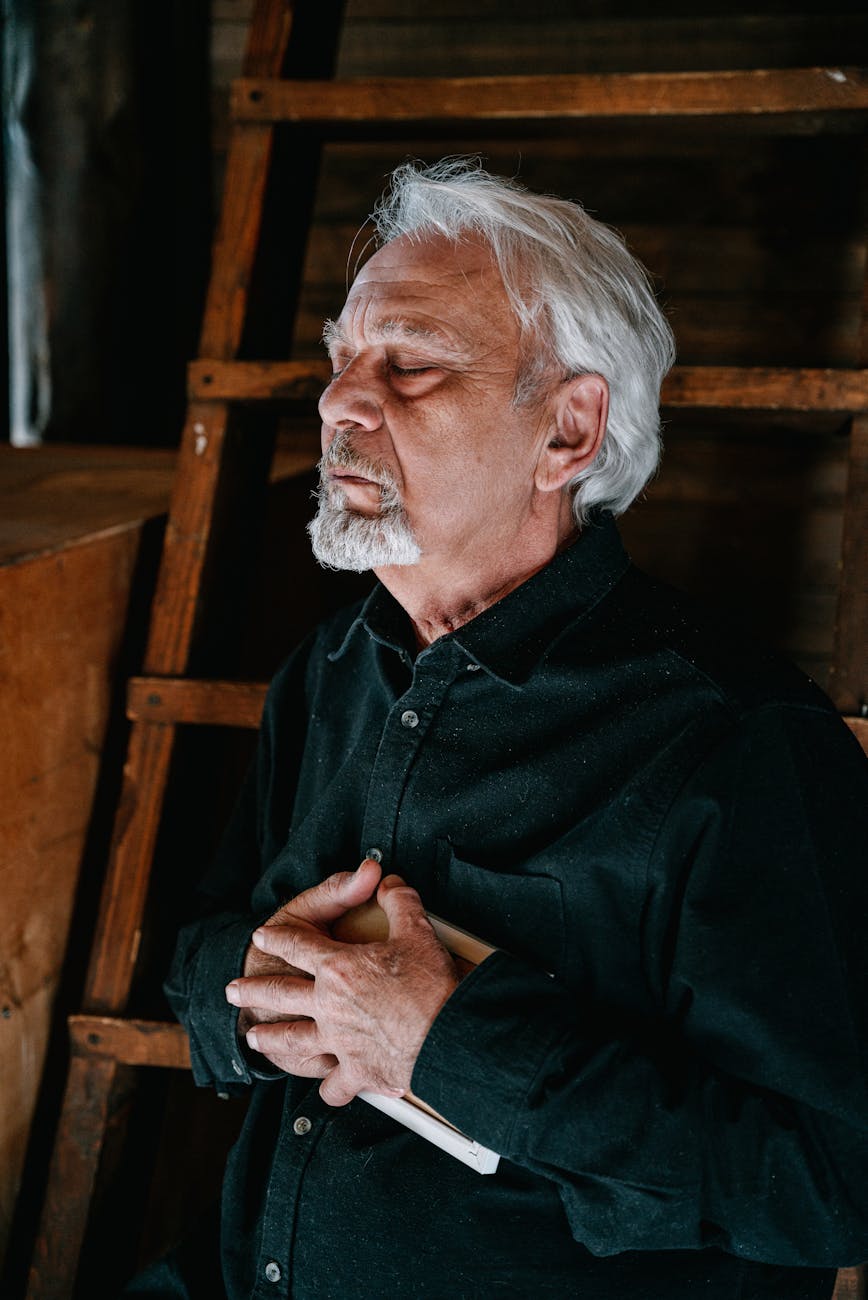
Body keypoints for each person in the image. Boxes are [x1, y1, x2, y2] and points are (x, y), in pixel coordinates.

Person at [153, 160, 868, 1299]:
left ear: (568, 431)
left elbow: (830, 1180)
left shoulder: (735, 743)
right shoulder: (326, 672)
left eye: (411, 364)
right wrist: (249, 995)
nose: (342, 399)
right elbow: (195, 950)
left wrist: (448, 1047)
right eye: (341, 358)